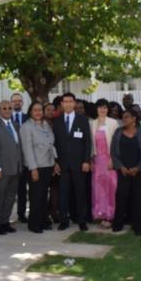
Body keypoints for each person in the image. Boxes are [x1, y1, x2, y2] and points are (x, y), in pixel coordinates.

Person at [53, 92, 92, 231]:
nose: (68, 104)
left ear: (74, 103)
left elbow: (87, 142)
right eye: (65, 101)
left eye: (71, 101)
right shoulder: (56, 121)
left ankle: (82, 220)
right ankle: (64, 221)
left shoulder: (82, 120)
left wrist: (86, 160)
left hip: (79, 163)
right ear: (62, 104)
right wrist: (56, 162)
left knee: (80, 193)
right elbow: (54, 143)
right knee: (63, 194)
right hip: (63, 164)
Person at [110, 109, 141, 235]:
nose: (124, 119)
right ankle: (118, 224)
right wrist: (121, 167)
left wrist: (138, 168)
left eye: (127, 117)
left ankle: (139, 226)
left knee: (138, 198)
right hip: (123, 171)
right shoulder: (118, 132)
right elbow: (113, 152)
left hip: (138, 171)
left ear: (134, 119)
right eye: (123, 117)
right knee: (121, 197)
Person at [21, 102, 59, 233]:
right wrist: (33, 169)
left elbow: (50, 144)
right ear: (30, 112)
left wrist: (55, 162)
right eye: (35, 110)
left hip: (48, 165)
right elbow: (27, 149)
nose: (38, 112)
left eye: (40, 110)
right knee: (36, 196)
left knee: (43, 196)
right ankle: (34, 224)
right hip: (36, 166)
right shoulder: (26, 127)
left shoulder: (45, 124)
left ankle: (43, 221)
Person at [0, 100, 23, 234]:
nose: (7, 110)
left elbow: (18, 147)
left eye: (9, 108)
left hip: (15, 168)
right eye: (4, 108)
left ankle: (4, 221)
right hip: (1, 169)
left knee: (10, 197)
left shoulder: (15, 125)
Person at [89, 99, 119, 227]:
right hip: (97, 160)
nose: (102, 110)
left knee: (111, 186)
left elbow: (116, 143)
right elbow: (90, 144)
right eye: (100, 107)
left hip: (109, 159)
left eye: (105, 108)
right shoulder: (92, 123)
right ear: (96, 109)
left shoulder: (113, 123)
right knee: (98, 187)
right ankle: (100, 214)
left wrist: (113, 159)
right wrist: (90, 159)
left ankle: (111, 215)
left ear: (108, 109)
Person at [10, 93, 29, 224]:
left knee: (23, 189)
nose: (17, 103)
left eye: (19, 101)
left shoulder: (28, 118)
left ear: (22, 103)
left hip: (27, 159)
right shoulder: (6, 118)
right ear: (11, 103)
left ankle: (21, 214)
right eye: (14, 101)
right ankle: (5, 214)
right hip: (11, 159)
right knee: (10, 189)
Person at [44, 102, 60, 224]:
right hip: (43, 159)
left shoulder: (58, 123)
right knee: (44, 189)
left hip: (57, 159)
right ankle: (44, 214)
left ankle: (53, 212)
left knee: (55, 188)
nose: (50, 112)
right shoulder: (40, 124)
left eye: (52, 110)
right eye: (48, 109)